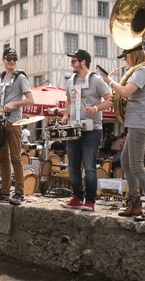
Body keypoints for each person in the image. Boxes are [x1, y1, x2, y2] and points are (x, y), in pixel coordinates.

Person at [99, 44, 145, 222]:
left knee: (136, 166)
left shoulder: (142, 71)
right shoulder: (142, 71)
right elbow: (131, 96)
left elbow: (125, 91)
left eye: (126, 56)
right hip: (138, 123)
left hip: (139, 124)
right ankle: (134, 203)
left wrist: (108, 81)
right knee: (126, 162)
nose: (125, 60)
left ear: (133, 55)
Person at [60, 49, 112, 212]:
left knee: (89, 166)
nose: (71, 64)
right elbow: (68, 101)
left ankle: (90, 201)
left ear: (83, 62)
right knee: (73, 166)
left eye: (74, 61)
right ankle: (77, 197)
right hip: (74, 128)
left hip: (92, 129)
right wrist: (66, 115)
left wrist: (96, 107)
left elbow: (110, 100)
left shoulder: (96, 80)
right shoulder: (70, 81)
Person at [0, 48, 34, 205]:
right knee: (2, 159)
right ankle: (5, 191)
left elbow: (30, 100)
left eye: (14, 58)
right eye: (9, 58)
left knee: (15, 157)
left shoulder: (20, 77)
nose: (12, 61)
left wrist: (14, 104)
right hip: (0, 122)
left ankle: (19, 192)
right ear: (3, 59)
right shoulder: (0, 77)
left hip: (13, 122)